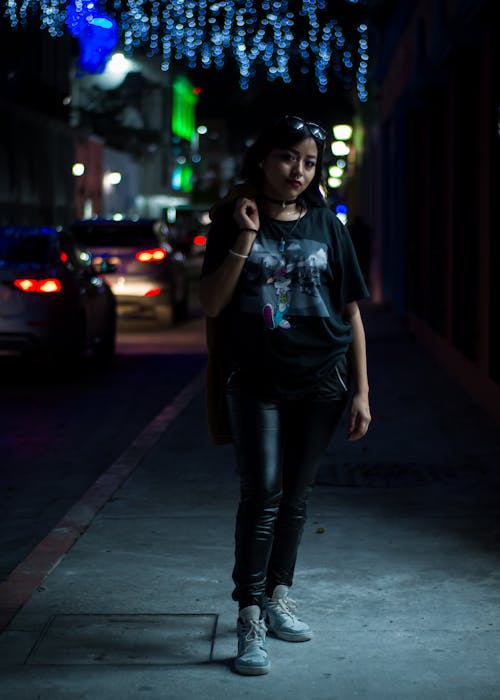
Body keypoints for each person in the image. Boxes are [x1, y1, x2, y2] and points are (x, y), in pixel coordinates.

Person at [199, 114, 371, 676]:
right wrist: (247, 237)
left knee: (296, 498)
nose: (298, 170)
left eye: (309, 161)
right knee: (262, 494)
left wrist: (362, 391)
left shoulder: (327, 223)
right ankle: (249, 617)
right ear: (262, 159)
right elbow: (212, 303)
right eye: (287, 157)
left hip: (322, 379)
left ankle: (277, 599)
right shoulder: (232, 220)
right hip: (256, 380)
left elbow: (351, 312)